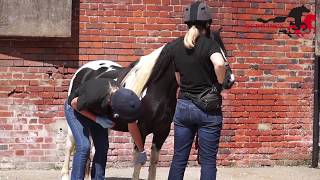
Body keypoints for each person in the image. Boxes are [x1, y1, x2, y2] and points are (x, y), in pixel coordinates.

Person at [167, 1, 227, 180]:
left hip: (184, 107)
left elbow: (178, 78)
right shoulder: (210, 45)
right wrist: (219, 83)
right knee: (208, 161)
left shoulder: (175, 46)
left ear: (186, 24)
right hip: (208, 109)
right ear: (208, 24)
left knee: (179, 159)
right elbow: (219, 63)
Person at [65, 70, 147, 180]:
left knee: (102, 146)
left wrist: (142, 151)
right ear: (113, 106)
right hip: (76, 110)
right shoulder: (95, 95)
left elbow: (132, 126)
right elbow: (74, 103)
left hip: (97, 112)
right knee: (84, 146)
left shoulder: (126, 101)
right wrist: (97, 119)